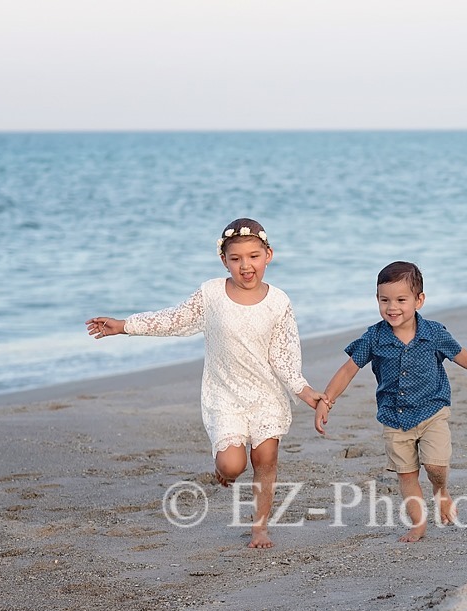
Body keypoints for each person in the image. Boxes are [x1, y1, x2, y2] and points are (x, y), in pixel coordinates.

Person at [85, 218, 323, 549]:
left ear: (268, 255)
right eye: (236, 259)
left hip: (267, 394)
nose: (246, 266)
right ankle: (224, 470)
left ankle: (260, 527)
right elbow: (173, 320)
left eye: (253, 256)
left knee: (265, 458)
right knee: (232, 464)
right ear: (224, 260)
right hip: (224, 394)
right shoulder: (211, 294)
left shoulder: (278, 302)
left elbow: (284, 357)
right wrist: (124, 325)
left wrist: (304, 390)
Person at [314, 261, 467, 543]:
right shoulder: (374, 337)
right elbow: (348, 369)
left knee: (435, 466)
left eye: (401, 300)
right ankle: (418, 524)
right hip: (394, 418)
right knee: (407, 475)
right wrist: (327, 400)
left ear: (419, 300)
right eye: (385, 300)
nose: (392, 307)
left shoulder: (433, 333)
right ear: (377, 300)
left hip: (433, 410)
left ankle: (441, 491)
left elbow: (460, 355)